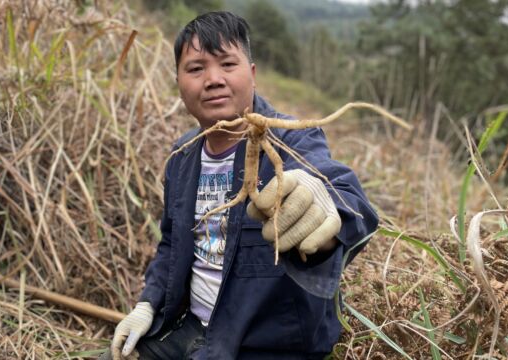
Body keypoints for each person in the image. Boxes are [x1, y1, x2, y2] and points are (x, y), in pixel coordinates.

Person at [108, 11, 378, 360]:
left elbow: (351, 202)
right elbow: (172, 241)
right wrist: (147, 304)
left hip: (266, 345)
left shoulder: (293, 139)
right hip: (189, 328)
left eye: (227, 64)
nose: (213, 79)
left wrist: (328, 208)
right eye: (196, 68)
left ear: (251, 74)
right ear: (178, 82)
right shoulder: (182, 156)